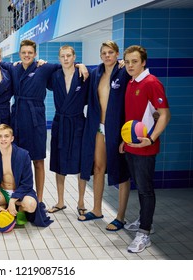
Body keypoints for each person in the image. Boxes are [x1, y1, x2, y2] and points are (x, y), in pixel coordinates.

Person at [0, 39, 88, 202]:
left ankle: (39, 200)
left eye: (30, 53)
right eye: (24, 52)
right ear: (19, 54)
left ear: (35, 54)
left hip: (36, 121)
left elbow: (65, 65)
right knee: (15, 160)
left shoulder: (44, 67)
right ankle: (16, 196)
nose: (26, 55)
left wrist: (80, 65)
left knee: (38, 160)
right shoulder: (13, 67)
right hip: (17, 119)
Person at [122, 45, 170, 253]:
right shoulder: (132, 82)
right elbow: (133, 117)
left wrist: (150, 139)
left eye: (135, 61)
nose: (130, 65)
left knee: (145, 190)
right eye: (127, 62)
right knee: (140, 188)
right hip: (132, 146)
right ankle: (143, 219)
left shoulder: (152, 83)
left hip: (145, 148)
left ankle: (144, 233)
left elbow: (165, 114)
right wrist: (125, 140)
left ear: (143, 62)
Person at [79, 40, 131, 232]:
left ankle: (120, 217)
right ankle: (97, 209)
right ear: (100, 55)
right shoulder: (96, 74)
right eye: (104, 53)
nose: (107, 56)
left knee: (121, 171)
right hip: (98, 127)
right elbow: (78, 69)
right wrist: (79, 64)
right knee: (98, 167)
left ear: (117, 54)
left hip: (117, 128)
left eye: (111, 52)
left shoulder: (124, 72)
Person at [0, 124, 53, 227]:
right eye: (0, 136)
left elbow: (27, 184)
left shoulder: (23, 155)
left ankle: (20, 210)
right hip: (2, 192)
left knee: (31, 205)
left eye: (6, 136)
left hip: (19, 193)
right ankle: (3, 207)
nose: (3, 139)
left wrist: (13, 200)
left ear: (12, 138)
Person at [46, 45, 89, 216]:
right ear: (59, 58)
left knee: (80, 163)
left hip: (78, 122)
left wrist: (81, 65)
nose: (66, 59)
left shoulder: (84, 75)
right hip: (60, 122)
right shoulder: (55, 76)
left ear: (74, 56)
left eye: (69, 56)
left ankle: (81, 202)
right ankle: (60, 201)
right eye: (62, 56)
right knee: (59, 164)